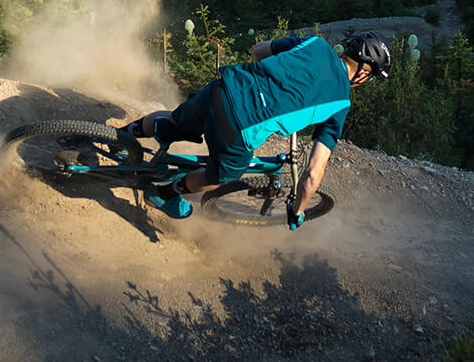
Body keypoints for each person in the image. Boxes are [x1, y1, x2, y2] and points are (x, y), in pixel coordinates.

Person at [116, 30, 394, 228]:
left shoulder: (315, 44)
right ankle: (164, 194)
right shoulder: (340, 102)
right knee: (225, 172)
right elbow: (312, 174)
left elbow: (260, 50)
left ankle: (122, 137)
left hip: (224, 87)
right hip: (239, 125)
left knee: (176, 122)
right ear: (364, 71)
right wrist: (297, 211)